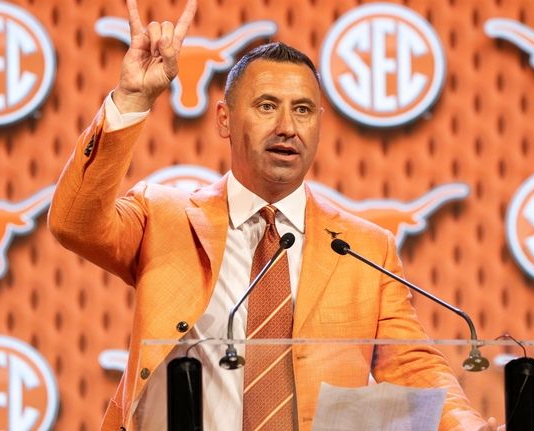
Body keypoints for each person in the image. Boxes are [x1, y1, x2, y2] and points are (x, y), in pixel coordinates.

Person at [48, 0, 492, 429]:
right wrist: (131, 99)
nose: (287, 126)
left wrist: (469, 427)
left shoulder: (365, 248)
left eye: (302, 110)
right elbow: (74, 222)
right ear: (224, 119)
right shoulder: (163, 217)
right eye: (266, 106)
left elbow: (414, 366)